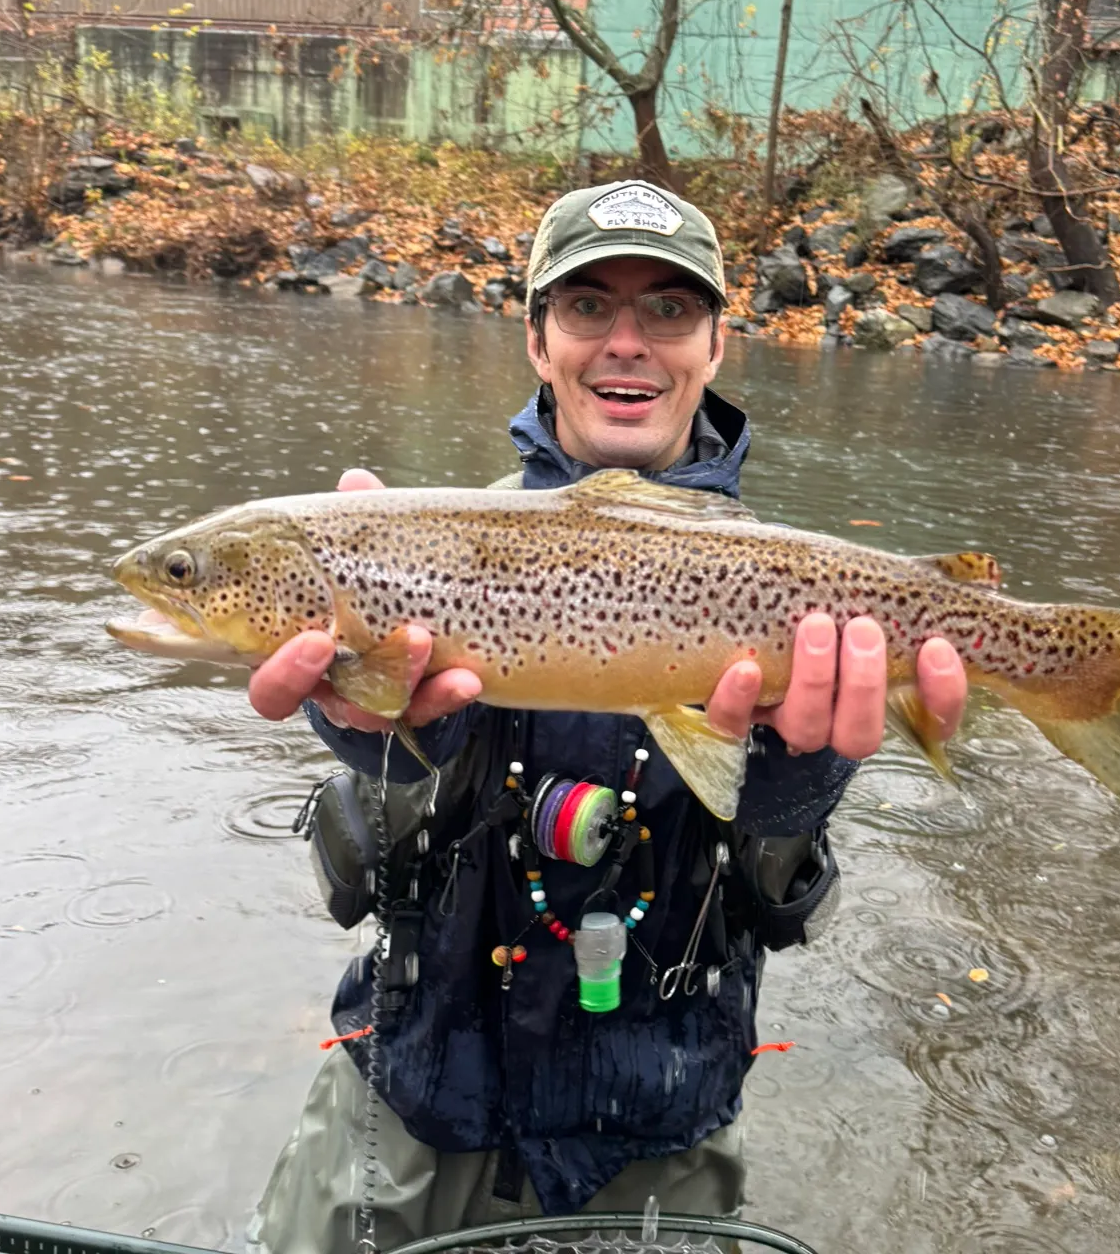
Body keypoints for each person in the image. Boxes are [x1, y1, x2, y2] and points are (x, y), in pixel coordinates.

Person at [245, 180, 968, 1253]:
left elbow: (778, 880)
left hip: (660, 1123)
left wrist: (793, 777)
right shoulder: (407, 554)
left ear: (717, 345)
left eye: (668, 311)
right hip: (411, 1099)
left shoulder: (795, 591)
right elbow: (381, 829)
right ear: (538, 340)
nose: (627, 342)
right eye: (589, 308)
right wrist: (380, 728)